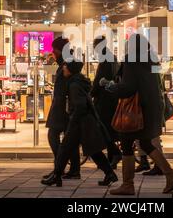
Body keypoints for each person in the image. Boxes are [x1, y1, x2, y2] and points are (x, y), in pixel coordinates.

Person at [102, 34, 173, 195]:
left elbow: (128, 88)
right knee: (145, 143)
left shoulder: (132, 61)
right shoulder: (151, 60)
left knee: (126, 144)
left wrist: (109, 85)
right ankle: (171, 175)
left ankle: (127, 184)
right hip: (151, 108)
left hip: (136, 111)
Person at [41, 59, 118, 187]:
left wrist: (72, 121)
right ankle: (109, 174)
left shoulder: (74, 85)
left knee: (65, 149)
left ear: (70, 70)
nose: (63, 69)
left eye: (65, 67)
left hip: (79, 123)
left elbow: (80, 106)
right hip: (84, 122)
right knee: (93, 150)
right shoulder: (77, 81)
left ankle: (56, 176)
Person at [44, 37, 81, 179]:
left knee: (53, 135)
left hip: (63, 107)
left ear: (60, 50)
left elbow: (64, 88)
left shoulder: (67, 64)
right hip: (65, 106)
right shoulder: (68, 61)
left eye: (55, 50)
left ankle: (59, 167)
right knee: (70, 139)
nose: (53, 52)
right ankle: (73, 170)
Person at [90, 36, 122, 169]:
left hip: (104, 100)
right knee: (108, 129)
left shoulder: (105, 59)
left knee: (103, 129)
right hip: (112, 98)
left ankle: (114, 153)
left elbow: (100, 80)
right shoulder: (112, 57)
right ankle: (111, 159)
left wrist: (92, 93)